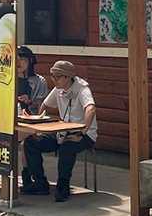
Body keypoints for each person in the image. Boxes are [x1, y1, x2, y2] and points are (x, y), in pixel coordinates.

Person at [24, 60, 96, 202]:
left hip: (84, 134)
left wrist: (82, 132)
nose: (54, 79)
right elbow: (45, 105)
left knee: (66, 148)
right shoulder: (58, 88)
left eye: (57, 77)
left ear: (67, 77)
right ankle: (40, 183)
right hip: (62, 133)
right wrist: (39, 123)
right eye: (52, 76)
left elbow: (91, 108)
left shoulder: (82, 89)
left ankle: (63, 187)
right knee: (31, 142)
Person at [15, 46, 51, 194]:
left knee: (26, 142)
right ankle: (26, 178)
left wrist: (29, 101)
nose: (19, 63)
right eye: (17, 60)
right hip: (12, 118)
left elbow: (42, 104)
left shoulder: (39, 80)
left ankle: (29, 179)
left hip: (32, 119)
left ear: (30, 61)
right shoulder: (7, 79)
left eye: (23, 60)